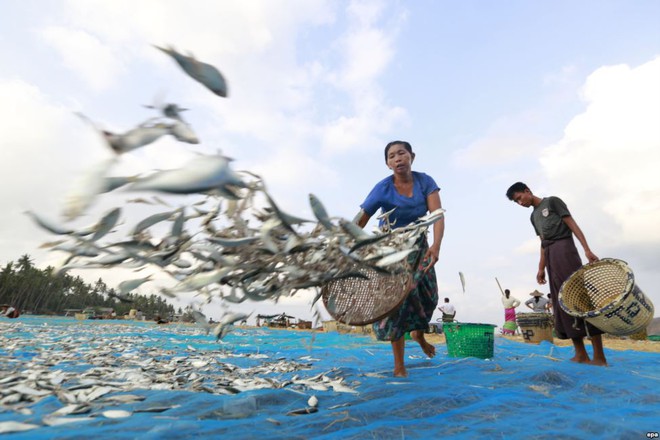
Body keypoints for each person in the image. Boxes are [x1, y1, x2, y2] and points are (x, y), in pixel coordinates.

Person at [356, 140, 444, 377]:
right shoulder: (382, 188)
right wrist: (346, 242)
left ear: (411, 156)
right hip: (391, 249)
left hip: (419, 246)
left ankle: (419, 334)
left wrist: (435, 245)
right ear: (387, 164)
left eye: (401, 153)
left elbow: (436, 215)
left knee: (428, 296)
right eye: (392, 156)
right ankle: (399, 365)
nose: (398, 158)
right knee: (397, 305)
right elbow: (362, 218)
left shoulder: (426, 181)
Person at [506, 182, 607, 366]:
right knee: (562, 303)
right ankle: (581, 354)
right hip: (551, 255)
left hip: (565, 249)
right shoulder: (533, 216)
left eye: (520, 198)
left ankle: (599, 357)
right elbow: (542, 242)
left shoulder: (552, 202)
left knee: (579, 299)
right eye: (516, 202)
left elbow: (573, 225)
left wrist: (586, 249)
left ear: (527, 191)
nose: (520, 203)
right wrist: (541, 267)